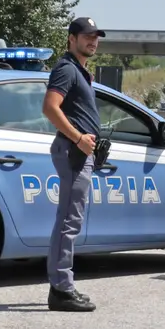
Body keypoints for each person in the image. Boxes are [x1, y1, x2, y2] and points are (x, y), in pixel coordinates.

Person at [41, 16, 105, 312]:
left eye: (96, 36)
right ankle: (62, 290)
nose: (93, 41)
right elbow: (50, 108)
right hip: (72, 152)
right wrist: (79, 138)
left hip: (80, 153)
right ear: (72, 38)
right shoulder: (66, 69)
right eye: (87, 36)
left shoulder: (80, 71)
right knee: (68, 221)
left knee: (70, 220)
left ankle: (62, 285)